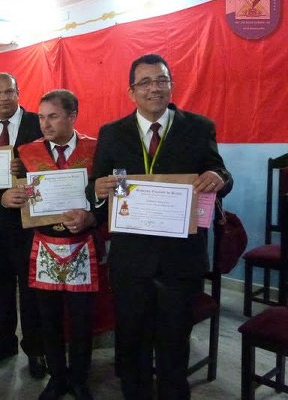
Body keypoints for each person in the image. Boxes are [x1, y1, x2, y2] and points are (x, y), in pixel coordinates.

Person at [91, 53, 233, 400]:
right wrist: (96, 190)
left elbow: (221, 173)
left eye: (161, 80)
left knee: (174, 343)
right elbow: (96, 186)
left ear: (171, 85)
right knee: (132, 341)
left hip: (180, 258)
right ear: (131, 91)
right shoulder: (112, 133)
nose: (154, 88)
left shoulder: (198, 127)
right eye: (145, 82)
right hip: (131, 259)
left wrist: (219, 178)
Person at [2, 89, 100, 400]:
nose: (45, 124)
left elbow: (109, 197)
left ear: (72, 116)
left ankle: (80, 378)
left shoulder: (96, 149)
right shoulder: (27, 152)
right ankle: (57, 377)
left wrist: (93, 217)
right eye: (42, 117)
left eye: (53, 116)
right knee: (49, 318)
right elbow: (16, 193)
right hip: (43, 246)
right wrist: (8, 197)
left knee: (82, 320)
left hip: (83, 245)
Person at [0, 73, 46, 377]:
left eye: (9, 91)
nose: (3, 98)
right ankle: (4, 343)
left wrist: (26, 169)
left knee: (31, 293)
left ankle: (35, 350)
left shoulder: (37, 123)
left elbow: (51, 169)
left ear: (18, 92)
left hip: (29, 225)